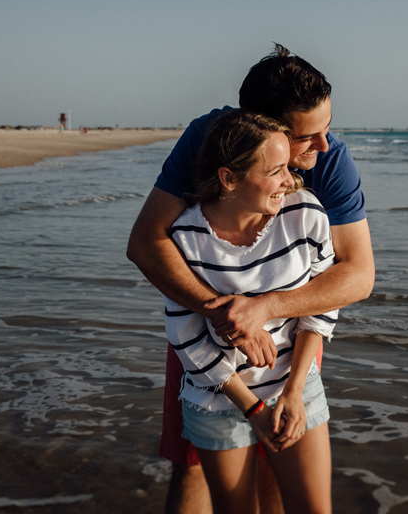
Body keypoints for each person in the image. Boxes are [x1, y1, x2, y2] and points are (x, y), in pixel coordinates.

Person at [127, 45, 374, 513]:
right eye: (308, 136)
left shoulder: (327, 165)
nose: (324, 146)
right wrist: (223, 317)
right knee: (191, 462)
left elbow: (357, 275)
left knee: (282, 459)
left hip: (289, 338)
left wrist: (266, 309)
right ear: (268, 130)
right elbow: (146, 242)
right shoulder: (207, 140)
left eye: (328, 128)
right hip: (204, 335)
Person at [164, 109, 336, 514]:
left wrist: (292, 393)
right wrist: (254, 408)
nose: (290, 180)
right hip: (218, 400)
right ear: (229, 179)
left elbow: (322, 304)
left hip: (296, 388)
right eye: (276, 170)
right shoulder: (187, 238)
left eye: (288, 168)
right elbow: (186, 339)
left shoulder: (305, 213)